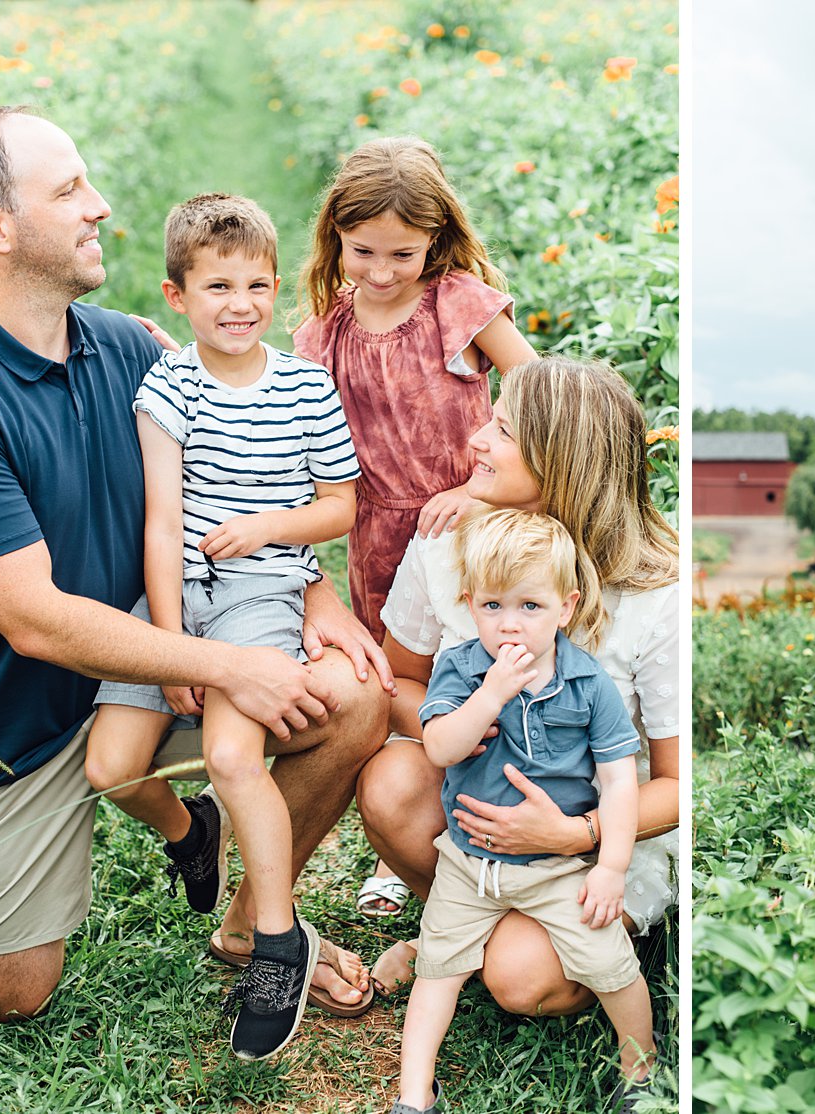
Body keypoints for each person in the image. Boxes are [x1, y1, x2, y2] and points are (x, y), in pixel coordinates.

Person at [0, 105, 385, 1024]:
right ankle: (180, 829)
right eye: (68, 191)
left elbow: (240, 476)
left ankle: (257, 924)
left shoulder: (135, 351)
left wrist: (315, 593)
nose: (98, 205)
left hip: (151, 662)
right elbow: (34, 620)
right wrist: (229, 664)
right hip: (3, 731)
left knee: (354, 697)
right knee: (17, 998)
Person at [81, 193, 364, 1057]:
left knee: (237, 755)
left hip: (256, 598)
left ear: (276, 289)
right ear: (178, 296)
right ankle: (190, 831)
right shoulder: (168, 387)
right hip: (177, 600)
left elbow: (340, 507)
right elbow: (161, 523)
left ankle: (274, 941)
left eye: (253, 286)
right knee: (113, 769)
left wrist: (271, 527)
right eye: (216, 287)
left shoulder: (306, 388)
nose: (237, 304)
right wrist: (172, 646)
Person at [357, 356, 679, 1021]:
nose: (477, 440)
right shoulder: (448, 543)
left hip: (599, 825)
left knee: (522, 982)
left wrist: (577, 833)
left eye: (501, 431)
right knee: (390, 784)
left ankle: (505, 943)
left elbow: (679, 784)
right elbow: (402, 682)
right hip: (479, 799)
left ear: (561, 460)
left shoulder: (655, 597)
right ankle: (465, 921)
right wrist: (469, 722)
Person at [292, 135, 537, 917]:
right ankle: (398, 859)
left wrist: (480, 489)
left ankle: (491, 832)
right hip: (374, 540)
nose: (383, 271)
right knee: (398, 696)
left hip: (468, 530)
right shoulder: (325, 331)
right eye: (363, 251)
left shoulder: (456, 303)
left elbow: (537, 392)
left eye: (404, 253)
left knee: (471, 677)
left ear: (435, 242)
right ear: (335, 234)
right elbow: (280, 404)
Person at [393, 508, 654, 1114]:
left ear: (565, 608)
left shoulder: (589, 686)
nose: (510, 625)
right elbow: (439, 746)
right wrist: (491, 694)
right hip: (466, 864)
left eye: (529, 607)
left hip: (557, 869)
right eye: (493, 607)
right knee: (437, 969)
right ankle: (413, 1095)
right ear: (469, 604)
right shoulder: (461, 669)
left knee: (611, 964)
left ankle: (639, 1070)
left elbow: (618, 784)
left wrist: (610, 867)